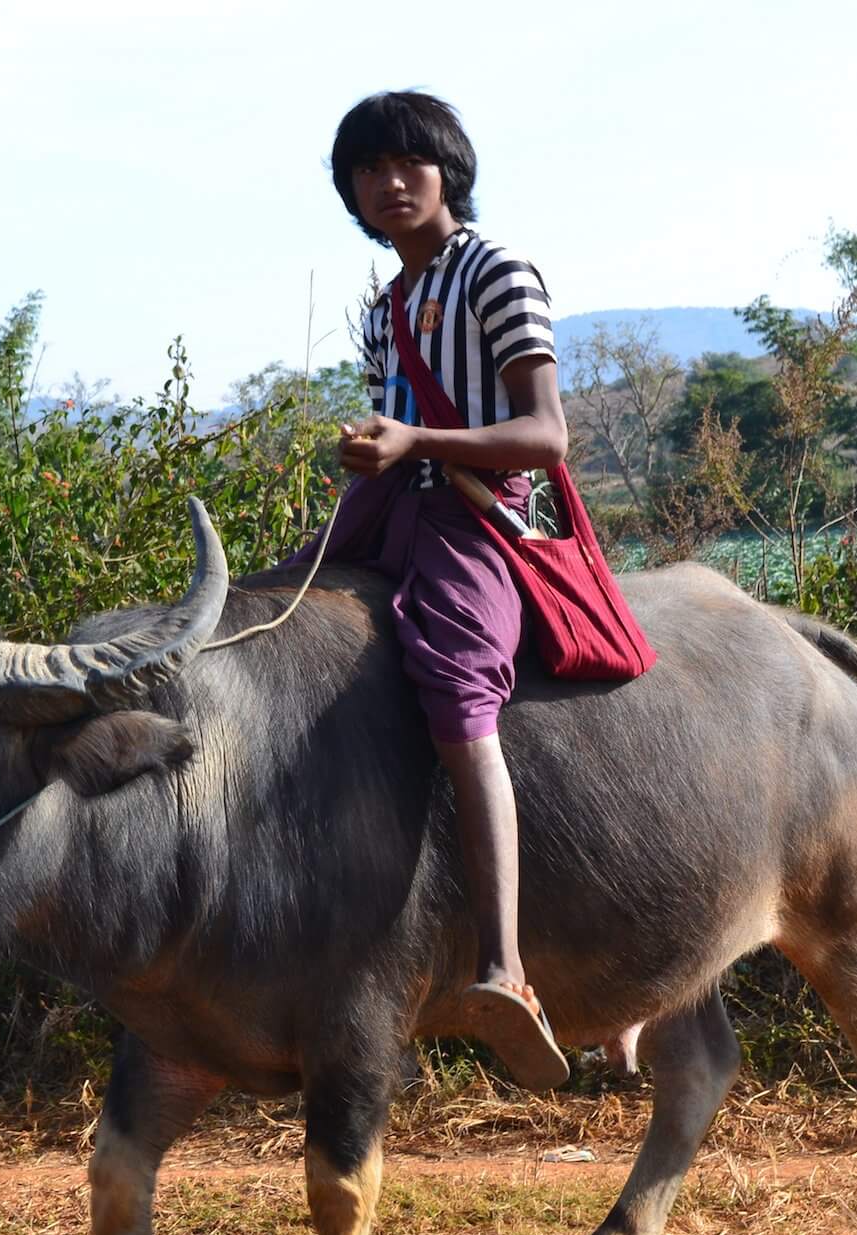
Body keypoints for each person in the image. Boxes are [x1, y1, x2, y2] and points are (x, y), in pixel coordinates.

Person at [288, 91, 572, 1089]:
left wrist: (416, 442)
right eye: (369, 170)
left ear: (449, 171)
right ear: (351, 195)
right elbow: (395, 427)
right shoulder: (387, 308)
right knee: (272, 621)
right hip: (391, 506)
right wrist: (372, 448)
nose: (391, 182)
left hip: (474, 512)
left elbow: (544, 436)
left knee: (458, 689)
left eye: (411, 162)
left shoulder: (497, 272)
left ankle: (504, 967)